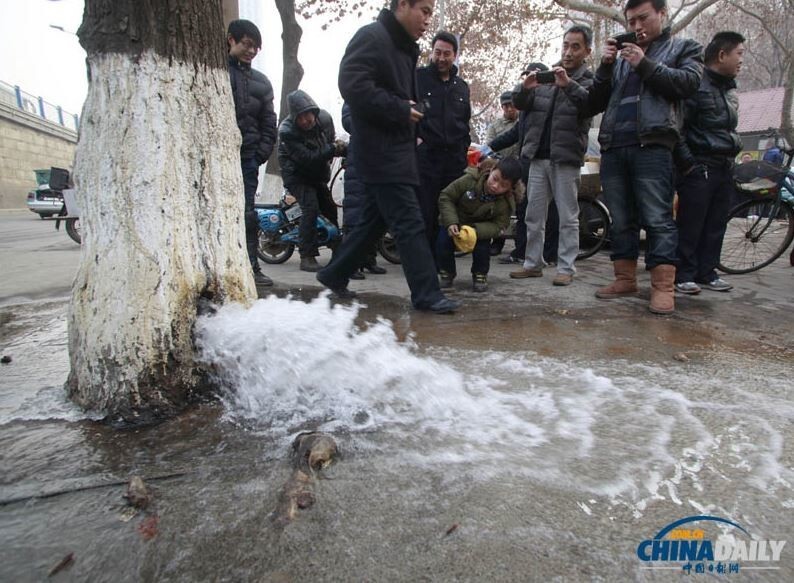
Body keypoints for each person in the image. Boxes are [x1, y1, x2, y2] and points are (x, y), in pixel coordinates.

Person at [316, 0, 460, 314]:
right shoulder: (373, 36)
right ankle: (426, 293)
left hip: (398, 149)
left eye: (430, 13)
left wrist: (414, 112)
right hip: (381, 152)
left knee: (373, 223)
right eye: (424, 10)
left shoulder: (403, 46)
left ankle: (334, 273)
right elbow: (352, 85)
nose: (427, 20)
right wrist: (398, 108)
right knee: (410, 222)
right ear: (403, 5)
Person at [587, 0, 703, 314]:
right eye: (631, 21)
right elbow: (593, 103)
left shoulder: (684, 48)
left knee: (658, 218)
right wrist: (606, 66)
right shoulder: (622, 58)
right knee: (621, 219)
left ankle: (663, 286)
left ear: (662, 15)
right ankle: (624, 278)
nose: (637, 27)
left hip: (653, 146)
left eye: (643, 18)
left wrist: (645, 64)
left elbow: (688, 84)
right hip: (614, 145)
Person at [508, 25, 595, 287]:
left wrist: (568, 85)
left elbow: (589, 105)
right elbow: (521, 105)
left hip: (566, 158)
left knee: (568, 216)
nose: (568, 52)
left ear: (587, 51)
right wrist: (524, 88)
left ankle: (566, 268)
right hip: (537, 157)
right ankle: (532, 264)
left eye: (575, 47)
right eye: (565, 45)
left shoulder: (588, 80)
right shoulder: (546, 77)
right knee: (533, 215)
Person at [674, 31, 745, 295]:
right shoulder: (696, 85)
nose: (741, 61)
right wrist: (689, 165)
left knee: (717, 221)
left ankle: (707, 271)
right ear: (722, 55)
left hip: (725, 164)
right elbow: (678, 128)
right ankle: (684, 273)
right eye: (739, 54)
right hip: (700, 163)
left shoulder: (729, 89)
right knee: (691, 222)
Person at [227, 19, 277, 287]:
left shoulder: (262, 82)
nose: (251, 51)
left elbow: (269, 122)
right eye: (247, 44)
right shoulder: (214, 72)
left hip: (248, 157)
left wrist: (261, 153)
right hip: (218, 156)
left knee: (247, 212)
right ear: (231, 40)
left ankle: (252, 267)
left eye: (256, 47)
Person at [416, 30, 472, 254]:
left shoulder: (461, 87)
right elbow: (409, 111)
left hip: (454, 161)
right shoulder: (418, 79)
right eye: (437, 52)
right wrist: (416, 141)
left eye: (446, 53)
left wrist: (464, 146)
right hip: (427, 159)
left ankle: (445, 264)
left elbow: (464, 121)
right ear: (432, 52)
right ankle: (425, 261)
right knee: (425, 212)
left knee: (451, 213)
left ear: (455, 55)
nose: (441, 58)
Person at [277, 89, 345, 272]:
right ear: (294, 118)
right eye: (301, 117)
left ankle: (339, 250)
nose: (306, 120)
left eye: (309, 115)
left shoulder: (324, 119)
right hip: (297, 175)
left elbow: (330, 142)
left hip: (317, 174)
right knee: (311, 208)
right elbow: (307, 157)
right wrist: (333, 149)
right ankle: (307, 255)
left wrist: (340, 149)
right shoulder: (287, 131)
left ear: (314, 112)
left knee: (330, 208)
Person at [437, 157, 524, 292]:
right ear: (492, 170)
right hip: (455, 223)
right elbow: (446, 196)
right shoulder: (469, 180)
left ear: (510, 188)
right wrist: (451, 221)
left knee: (483, 248)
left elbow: (499, 225)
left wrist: (475, 231)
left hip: (479, 229)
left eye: (503, 185)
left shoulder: (506, 203)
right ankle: (446, 273)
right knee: (443, 242)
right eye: (495, 179)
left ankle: (480, 275)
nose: (496, 186)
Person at [340, 102, 387, 280]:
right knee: (354, 212)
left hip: (381, 155)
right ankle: (349, 265)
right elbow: (349, 121)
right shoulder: (356, 91)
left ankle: (369, 259)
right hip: (359, 155)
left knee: (375, 211)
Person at [486, 92, 520, 159]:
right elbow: (489, 147)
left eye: (511, 105)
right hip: (501, 163)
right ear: (502, 107)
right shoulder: (494, 126)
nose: (509, 109)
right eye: (506, 106)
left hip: (522, 163)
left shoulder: (523, 122)